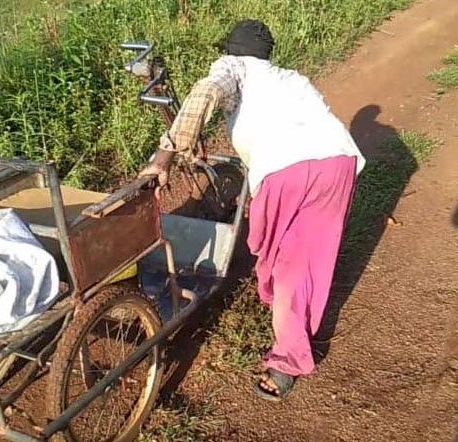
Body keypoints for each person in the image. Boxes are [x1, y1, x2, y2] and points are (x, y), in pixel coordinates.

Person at [138, 19, 366, 401]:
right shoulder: (291, 78)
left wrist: (163, 158)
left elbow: (206, 94)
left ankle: (288, 359)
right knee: (309, 260)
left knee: (282, 262)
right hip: (337, 163)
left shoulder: (232, 68)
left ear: (231, 50)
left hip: (287, 172)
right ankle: (290, 323)